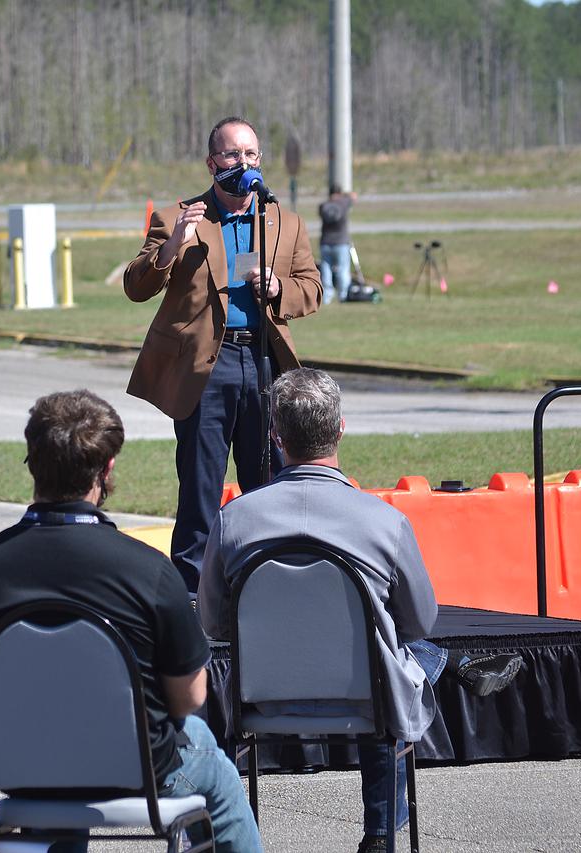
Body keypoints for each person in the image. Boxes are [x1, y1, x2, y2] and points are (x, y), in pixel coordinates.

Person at [197, 369, 523, 853]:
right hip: (366, 699)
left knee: (383, 659)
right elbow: (418, 624)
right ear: (341, 429)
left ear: (276, 437)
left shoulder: (235, 519)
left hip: (260, 696)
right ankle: (378, 833)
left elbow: (213, 623)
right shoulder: (384, 521)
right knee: (387, 660)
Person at [0, 390, 262, 853]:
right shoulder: (148, 570)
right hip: (138, 769)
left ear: (31, 462)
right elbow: (190, 695)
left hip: (24, 769)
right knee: (213, 765)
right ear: (107, 470)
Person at [124, 116, 322, 592]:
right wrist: (171, 246)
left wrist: (279, 289)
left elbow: (313, 289)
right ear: (213, 163)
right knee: (199, 487)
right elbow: (136, 285)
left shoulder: (284, 223)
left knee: (271, 481)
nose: (245, 163)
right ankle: (193, 592)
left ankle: (272, 582)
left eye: (252, 154)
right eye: (234, 155)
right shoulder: (181, 217)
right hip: (204, 370)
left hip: (263, 365)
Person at [318, 185, 355, 304]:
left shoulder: (323, 206)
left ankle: (327, 296)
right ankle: (343, 295)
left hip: (326, 242)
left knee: (326, 270)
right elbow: (353, 197)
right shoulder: (343, 203)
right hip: (341, 242)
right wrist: (346, 195)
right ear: (339, 193)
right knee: (343, 269)